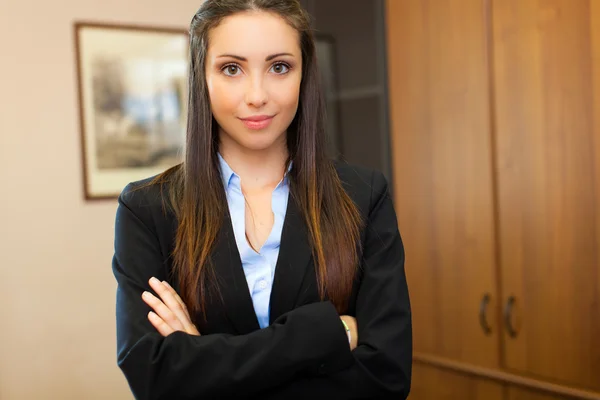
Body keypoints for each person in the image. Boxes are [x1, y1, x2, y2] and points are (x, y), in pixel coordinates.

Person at [112, 0, 412, 399]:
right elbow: (155, 379)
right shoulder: (148, 208)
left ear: (305, 74)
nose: (257, 95)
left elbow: (386, 379)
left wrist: (202, 359)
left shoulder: (364, 196)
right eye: (232, 68)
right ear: (201, 76)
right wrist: (326, 334)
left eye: (279, 67)